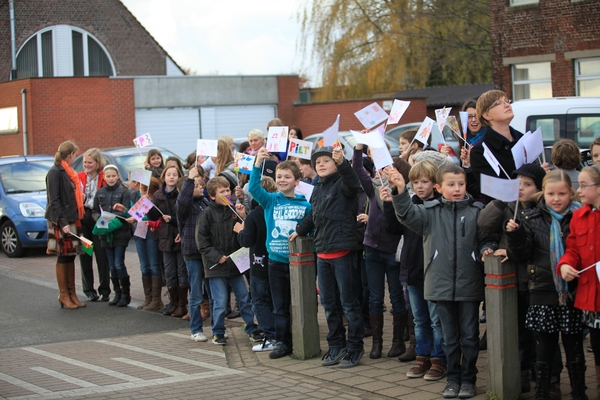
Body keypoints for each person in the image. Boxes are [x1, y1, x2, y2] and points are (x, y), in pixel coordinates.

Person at [385, 164, 497, 399]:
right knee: (448, 337)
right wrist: (400, 190)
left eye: (461, 184)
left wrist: (486, 250)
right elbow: (405, 215)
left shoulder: (477, 210)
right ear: (438, 187)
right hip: (440, 283)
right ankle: (453, 378)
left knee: (469, 335)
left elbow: (487, 237)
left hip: (469, 283)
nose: (457, 189)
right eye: (450, 184)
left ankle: (469, 379)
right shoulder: (428, 211)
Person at [505, 170, 584, 400]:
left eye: (562, 193)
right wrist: (515, 235)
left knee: (574, 347)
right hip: (542, 290)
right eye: (551, 194)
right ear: (543, 193)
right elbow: (522, 254)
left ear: (571, 193)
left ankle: (579, 391)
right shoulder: (530, 217)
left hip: (572, 291)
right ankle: (543, 390)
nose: (556, 199)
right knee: (545, 348)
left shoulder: (578, 217)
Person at [292, 146, 365, 369]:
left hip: (343, 252)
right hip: (322, 253)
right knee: (329, 304)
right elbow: (314, 216)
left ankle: (354, 347)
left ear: (336, 164)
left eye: (326, 160)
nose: (321, 164)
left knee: (349, 304)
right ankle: (336, 345)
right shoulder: (317, 189)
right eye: (318, 162)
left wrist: (343, 163)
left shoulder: (344, 183)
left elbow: (354, 183)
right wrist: (299, 230)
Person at [477, 163, 545, 393]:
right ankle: (523, 372)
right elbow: (485, 223)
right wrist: (501, 200)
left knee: (537, 331)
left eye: (528, 185)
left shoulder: (540, 210)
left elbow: (536, 245)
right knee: (520, 331)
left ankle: (541, 370)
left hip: (534, 280)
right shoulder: (508, 206)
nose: (521, 189)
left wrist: (512, 251)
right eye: (518, 184)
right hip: (513, 280)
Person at [382, 160, 446, 380]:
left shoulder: (441, 206)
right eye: (415, 182)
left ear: (435, 184)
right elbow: (392, 228)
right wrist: (390, 204)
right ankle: (423, 357)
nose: (419, 186)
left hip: (434, 270)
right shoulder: (408, 203)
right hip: (412, 269)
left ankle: (439, 359)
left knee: (436, 319)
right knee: (419, 319)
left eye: (425, 182)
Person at [248, 148, 312, 359]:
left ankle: (302, 340)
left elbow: (311, 231)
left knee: (299, 304)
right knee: (279, 307)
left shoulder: (306, 205)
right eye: (279, 177)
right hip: (275, 263)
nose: (282, 180)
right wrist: (257, 164)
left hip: (299, 264)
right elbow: (253, 187)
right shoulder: (270, 201)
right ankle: (283, 343)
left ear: (297, 180)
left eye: (287, 177)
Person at [352, 143, 406, 360]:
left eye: (386, 168)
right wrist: (358, 148)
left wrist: (394, 196)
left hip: (391, 251)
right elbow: (357, 168)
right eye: (379, 167)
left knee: (396, 297)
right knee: (374, 297)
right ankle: (377, 343)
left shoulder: (401, 193)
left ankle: (398, 341)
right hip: (372, 250)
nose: (381, 171)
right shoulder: (373, 188)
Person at [196, 176, 263, 345]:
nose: (226, 193)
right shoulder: (206, 214)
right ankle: (218, 331)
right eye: (222, 191)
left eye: (228, 190)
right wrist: (216, 256)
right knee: (219, 301)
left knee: (244, 298)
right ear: (212, 196)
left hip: (234, 263)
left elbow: (246, 232)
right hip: (216, 265)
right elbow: (201, 241)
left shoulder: (233, 210)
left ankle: (251, 328)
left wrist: (243, 216)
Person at [559, 165, 600, 400]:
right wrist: (565, 264)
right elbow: (573, 249)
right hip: (591, 297)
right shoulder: (579, 216)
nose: (579, 190)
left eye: (584, 185)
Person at [237, 177, 278, 352]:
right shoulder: (277, 210)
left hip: (259, 263)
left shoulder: (255, 214)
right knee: (276, 300)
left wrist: (240, 231)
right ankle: (282, 334)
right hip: (277, 261)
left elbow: (247, 240)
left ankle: (270, 336)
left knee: (260, 300)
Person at [45, 140, 86, 309]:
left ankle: (72, 293)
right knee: (62, 255)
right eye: (74, 155)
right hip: (60, 219)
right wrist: (63, 223)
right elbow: (54, 200)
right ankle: (64, 294)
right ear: (70, 155)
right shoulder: (55, 172)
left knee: (71, 255)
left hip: (71, 217)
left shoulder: (68, 171)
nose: (74, 157)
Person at [116, 177, 164, 311]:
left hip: (151, 231)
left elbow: (153, 216)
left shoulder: (155, 198)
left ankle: (156, 299)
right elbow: (135, 214)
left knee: (154, 264)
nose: (129, 182)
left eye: (131, 180)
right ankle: (148, 298)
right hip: (140, 230)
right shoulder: (133, 195)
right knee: (144, 266)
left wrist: (137, 216)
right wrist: (125, 211)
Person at [148, 165, 188, 318]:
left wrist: (174, 222)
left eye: (175, 174)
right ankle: (173, 302)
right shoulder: (158, 195)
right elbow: (153, 216)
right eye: (169, 174)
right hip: (165, 237)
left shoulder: (181, 194)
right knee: (170, 272)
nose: (171, 177)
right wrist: (148, 203)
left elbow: (184, 217)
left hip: (178, 235)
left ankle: (182, 305)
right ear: (164, 177)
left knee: (181, 271)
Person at [176, 165, 210, 342]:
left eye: (200, 185)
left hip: (208, 254)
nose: (200, 187)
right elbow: (182, 201)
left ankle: (217, 327)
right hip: (193, 254)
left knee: (212, 292)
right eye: (196, 186)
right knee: (196, 293)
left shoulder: (204, 202)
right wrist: (189, 178)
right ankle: (196, 329)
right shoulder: (184, 207)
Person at [470, 90, 522, 201]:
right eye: (498, 103)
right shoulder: (480, 151)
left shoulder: (523, 139)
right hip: (504, 214)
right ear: (486, 115)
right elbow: (494, 192)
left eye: (507, 101)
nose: (507, 105)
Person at [93, 165, 132, 307]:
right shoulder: (100, 192)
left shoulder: (124, 192)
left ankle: (126, 294)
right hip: (106, 233)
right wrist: (99, 218)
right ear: (104, 177)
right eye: (108, 176)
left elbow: (125, 211)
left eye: (113, 176)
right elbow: (95, 211)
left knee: (118, 263)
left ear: (117, 176)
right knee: (111, 265)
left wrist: (110, 217)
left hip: (120, 232)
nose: (110, 178)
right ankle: (117, 292)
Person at [77, 148, 110, 302]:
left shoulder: (104, 177)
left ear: (97, 163)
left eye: (90, 162)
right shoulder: (79, 178)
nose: (86, 165)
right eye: (85, 162)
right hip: (83, 218)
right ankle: (89, 290)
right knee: (85, 253)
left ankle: (105, 290)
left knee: (102, 255)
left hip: (99, 218)